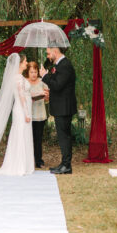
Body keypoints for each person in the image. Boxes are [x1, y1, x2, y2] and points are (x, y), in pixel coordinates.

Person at [42, 45, 76, 175]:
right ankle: (64, 163)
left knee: (64, 137)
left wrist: (45, 76)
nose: (48, 56)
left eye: (49, 53)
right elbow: (58, 86)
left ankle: (66, 166)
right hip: (61, 107)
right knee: (62, 137)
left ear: (55, 51)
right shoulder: (60, 65)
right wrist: (50, 92)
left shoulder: (65, 65)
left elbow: (58, 85)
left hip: (64, 108)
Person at [0, 54, 34, 176]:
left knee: (23, 134)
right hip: (21, 110)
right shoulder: (18, 78)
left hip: (21, 109)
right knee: (21, 134)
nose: (26, 63)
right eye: (25, 61)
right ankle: (20, 165)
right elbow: (21, 96)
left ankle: (23, 164)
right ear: (20, 63)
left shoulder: (17, 77)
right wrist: (27, 113)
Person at [26, 60, 48, 168]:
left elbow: (48, 98)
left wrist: (46, 96)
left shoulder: (42, 82)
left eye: (35, 72)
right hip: (29, 116)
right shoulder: (25, 82)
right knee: (28, 139)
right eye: (31, 72)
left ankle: (39, 161)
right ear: (28, 73)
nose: (34, 74)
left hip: (40, 115)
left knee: (38, 139)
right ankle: (28, 160)